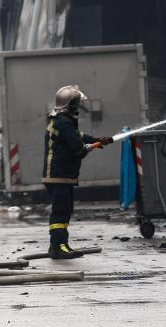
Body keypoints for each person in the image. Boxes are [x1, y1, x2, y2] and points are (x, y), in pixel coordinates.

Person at [42, 85, 113, 259]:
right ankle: (58, 247)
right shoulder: (64, 122)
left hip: (61, 176)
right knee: (61, 212)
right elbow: (78, 149)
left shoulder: (60, 120)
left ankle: (60, 245)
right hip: (59, 176)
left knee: (64, 211)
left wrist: (96, 140)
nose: (79, 106)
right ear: (71, 104)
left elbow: (77, 136)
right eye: (77, 103)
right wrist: (93, 146)